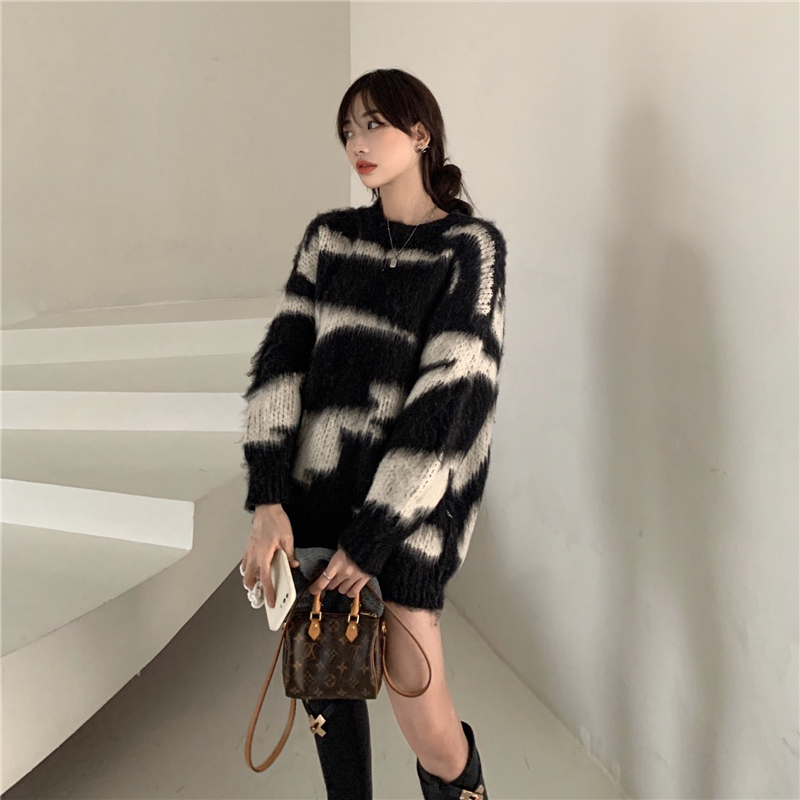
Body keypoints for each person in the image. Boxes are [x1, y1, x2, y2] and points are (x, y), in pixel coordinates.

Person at [239, 68, 506, 800]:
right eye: (347, 130)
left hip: (411, 518)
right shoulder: (329, 238)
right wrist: (269, 500)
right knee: (329, 691)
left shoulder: (469, 248)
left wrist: (373, 536)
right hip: (316, 499)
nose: (357, 142)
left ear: (420, 134)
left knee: (429, 725)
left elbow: (450, 401)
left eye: (373, 125)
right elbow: (280, 362)